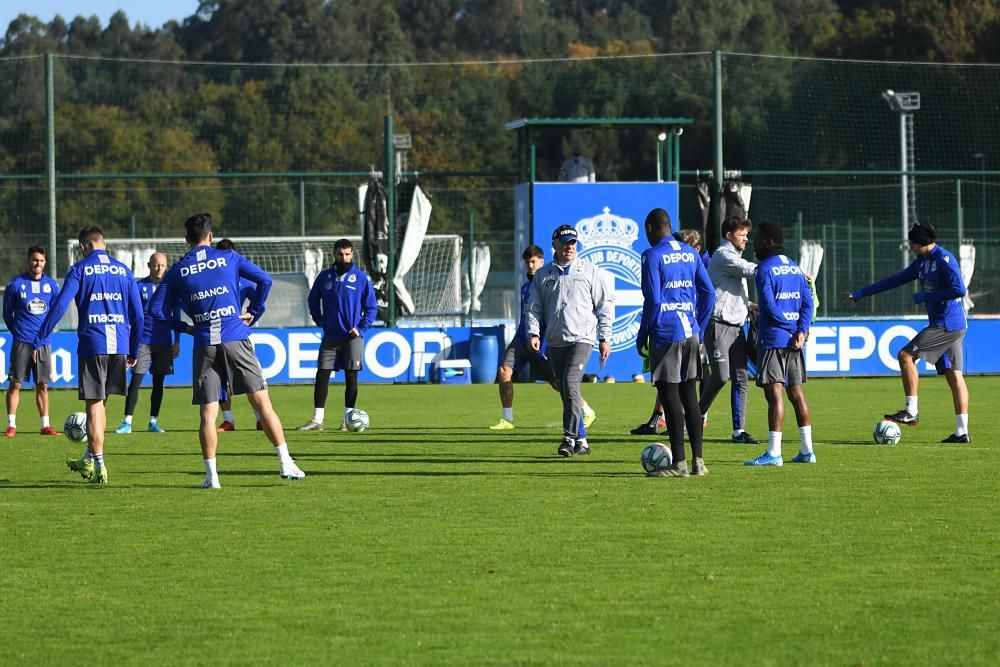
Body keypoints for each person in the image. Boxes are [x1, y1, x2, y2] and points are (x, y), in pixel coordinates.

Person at [151, 213, 304, 488]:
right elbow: (265, 281)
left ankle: (212, 478)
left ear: (186, 239)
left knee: (208, 414)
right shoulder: (229, 258)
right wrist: (253, 311)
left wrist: (183, 327)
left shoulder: (178, 270)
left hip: (204, 343)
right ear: (210, 236)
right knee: (262, 403)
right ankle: (286, 463)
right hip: (236, 336)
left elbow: (154, 309)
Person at [34, 227, 143, 484]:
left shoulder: (80, 269)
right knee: (101, 405)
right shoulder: (123, 270)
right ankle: (87, 457)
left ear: (83, 246)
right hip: (120, 345)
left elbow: (61, 304)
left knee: (93, 406)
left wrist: (41, 337)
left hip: (94, 344)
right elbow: (138, 315)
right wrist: (134, 348)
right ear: (103, 243)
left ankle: (100, 466)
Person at [847, 220, 970, 443]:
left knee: (905, 355)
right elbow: (895, 280)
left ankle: (911, 411)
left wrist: (926, 296)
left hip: (947, 324)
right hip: (950, 325)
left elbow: (959, 289)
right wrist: (861, 293)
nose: (910, 246)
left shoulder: (944, 259)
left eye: (912, 243)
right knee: (954, 377)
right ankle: (962, 432)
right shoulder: (921, 262)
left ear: (922, 242)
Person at [637, 209, 715, 477]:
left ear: (650, 228)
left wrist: (642, 333)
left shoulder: (652, 256)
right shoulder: (691, 253)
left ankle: (679, 463)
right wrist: (700, 328)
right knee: (689, 395)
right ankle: (699, 463)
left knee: (669, 397)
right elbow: (709, 293)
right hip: (691, 331)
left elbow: (654, 301)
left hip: (666, 333)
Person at [526, 224, 612, 457]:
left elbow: (605, 305)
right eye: (564, 242)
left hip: (582, 338)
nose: (569, 247)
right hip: (556, 341)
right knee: (566, 390)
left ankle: (568, 438)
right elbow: (534, 308)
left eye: (573, 242)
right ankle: (582, 440)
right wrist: (534, 333)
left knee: (569, 382)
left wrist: (605, 337)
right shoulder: (544, 275)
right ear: (554, 245)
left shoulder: (589, 271)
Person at [490, 245, 596, 430]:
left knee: (558, 383)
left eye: (533, 261)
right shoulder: (525, 287)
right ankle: (507, 419)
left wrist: (545, 341)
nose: (530, 266)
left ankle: (587, 411)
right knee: (504, 372)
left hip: (543, 342)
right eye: (527, 263)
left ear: (541, 261)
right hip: (522, 339)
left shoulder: (550, 283)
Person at [744, 221, 815, 467]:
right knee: (796, 393)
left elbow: (769, 305)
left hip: (774, 338)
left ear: (768, 240)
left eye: (758, 238)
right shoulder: (795, 268)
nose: (754, 243)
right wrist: (801, 331)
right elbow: (808, 304)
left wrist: (787, 328)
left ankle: (774, 453)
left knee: (775, 394)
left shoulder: (765, 269)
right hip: (795, 341)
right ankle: (807, 451)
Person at [296, 238, 378, 432]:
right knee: (322, 374)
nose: (344, 257)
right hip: (331, 336)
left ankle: (347, 419)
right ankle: (317, 420)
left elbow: (372, 307)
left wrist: (360, 328)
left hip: (352, 337)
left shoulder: (361, 278)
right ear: (334, 254)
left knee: (351, 377)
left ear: (352, 254)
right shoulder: (324, 277)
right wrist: (320, 320)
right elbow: (313, 300)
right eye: (341, 254)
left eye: (348, 254)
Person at [698, 216, 760, 444]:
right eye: (742, 233)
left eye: (746, 233)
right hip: (718, 325)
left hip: (736, 327)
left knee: (741, 378)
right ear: (728, 235)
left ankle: (739, 431)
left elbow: (732, 292)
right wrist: (778, 269)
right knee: (722, 377)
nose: (746, 237)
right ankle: (696, 414)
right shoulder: (724, 255)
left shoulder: (734, 256)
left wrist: (750, 305)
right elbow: (751, 270)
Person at [114, 252, 180, 434]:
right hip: (142, 341)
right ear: (149, 265)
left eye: (163, 265)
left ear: (167, 266)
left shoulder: (171, 289)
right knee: (135, 381)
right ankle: (127, 422)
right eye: (156, 265)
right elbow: (130, 315)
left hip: (164, 341)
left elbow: (177, 315)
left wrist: (177, 340)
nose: (159, 269)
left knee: (159, 383)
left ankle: (153, 422)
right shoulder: (139, 286)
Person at [3, 246, 61, 437]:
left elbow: (54, 314)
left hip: (43, 341)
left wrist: (40, 338)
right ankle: (12, 424)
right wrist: (19, 334)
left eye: (42, 261)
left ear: (45, 262)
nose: (38, 264)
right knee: (15, 384)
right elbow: (7, 315)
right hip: (22, 342)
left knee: (42, 385)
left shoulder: (51, 286)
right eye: (35, 260)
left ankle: (45, 425)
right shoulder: (15, 284)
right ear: (29, 260)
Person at [213, 238, 259, 432]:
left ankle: (260, 419)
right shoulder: (212, 277)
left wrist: (250, 316)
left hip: (239, 335)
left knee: (251, 380)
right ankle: (228, 420)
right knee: (220, 381)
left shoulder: (244, 281)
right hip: (216, 334)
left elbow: (260, 304)